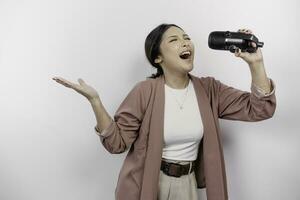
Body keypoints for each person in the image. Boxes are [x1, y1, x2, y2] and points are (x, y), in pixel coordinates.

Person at [52, 23, 276, 200]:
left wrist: (255, 64)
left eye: (186, 37)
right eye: (174, 40)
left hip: (187, 185)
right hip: (149, 184)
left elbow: (259, 109)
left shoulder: (209, 90)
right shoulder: (144, 91)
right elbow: (116, 143)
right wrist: (95, 101)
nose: (185, 43)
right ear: (158, 58)